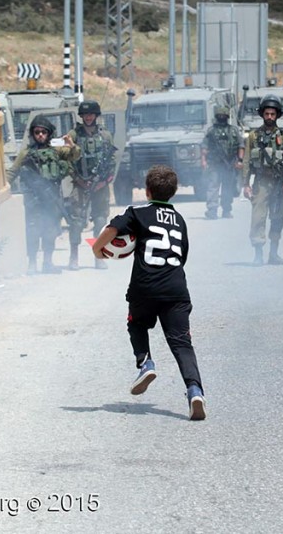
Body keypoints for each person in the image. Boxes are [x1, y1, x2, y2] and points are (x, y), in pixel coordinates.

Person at [93, 165, 206, 421]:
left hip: (144, 287)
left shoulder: (138, 213)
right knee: (181, 343)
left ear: (146, 191)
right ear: (174, 193)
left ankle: (145, 363)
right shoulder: (180, 220)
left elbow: (112, 229)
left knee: (137, 323)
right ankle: (194, 390)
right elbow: (182, 255)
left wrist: (97, 249)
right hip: (176, 289)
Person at [7, 116, 80, 274]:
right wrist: (4, 187)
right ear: (32, 134)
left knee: (50, 230)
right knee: (33, 230)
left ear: (49, 134)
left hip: (52, 198)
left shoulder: (56, 150)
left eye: (43, 132)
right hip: (33, 199)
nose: (40, 135)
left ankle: (47, 262)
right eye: (37, 132)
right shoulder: (26, 153)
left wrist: (71, 145)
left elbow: (74, 156)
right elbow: (13, 171)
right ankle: (32, 264)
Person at [242, 95, 283, 266]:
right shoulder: (253, 136)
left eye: (273, 114)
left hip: (279, 184)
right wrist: (245, 184)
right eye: (267, 114)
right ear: (262, 114)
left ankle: (274, 253)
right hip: (261, 182)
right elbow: (246, 161)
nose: (270, 117)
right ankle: (258, 254)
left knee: (277, 217)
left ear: (277, 115)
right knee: (258, 217)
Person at [66, 100, 117, 271]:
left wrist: (104, 182)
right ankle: (74, 257)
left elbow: (112, 161)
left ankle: (99, 257)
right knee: (76, 221)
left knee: (101, 220)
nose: (88, 117)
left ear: (96, 115)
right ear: (81, 116)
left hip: (100, 187)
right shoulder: (73, 135)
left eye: (91, 114)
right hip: (80, 185)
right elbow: (66, 160)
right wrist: (78, 179)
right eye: (85, 115)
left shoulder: (105, 136)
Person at [201, 105, 245, 220]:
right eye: (219, 115)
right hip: (215, 165)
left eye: (223, 115)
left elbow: (241, 146)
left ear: (227, 116)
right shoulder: (211, 131)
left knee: (227, 188)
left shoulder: (233, 130)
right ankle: (212, 210)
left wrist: (240, 160)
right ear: (216, 116)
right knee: (213, 187)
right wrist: (204, 161)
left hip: (229, 165)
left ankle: (226, 210)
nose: (221, 117)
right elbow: (204, 147)